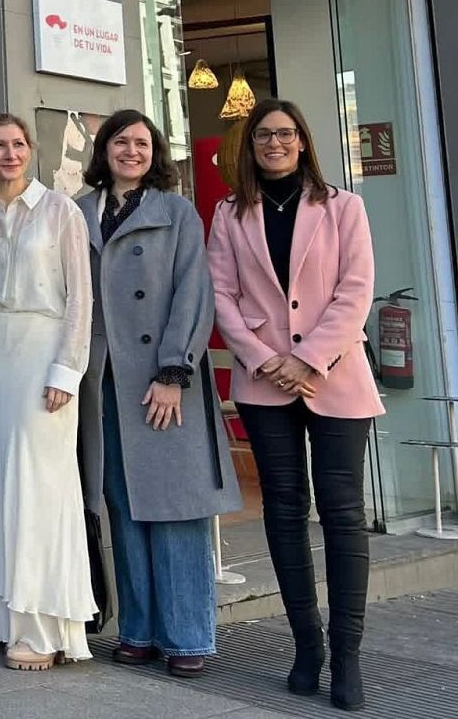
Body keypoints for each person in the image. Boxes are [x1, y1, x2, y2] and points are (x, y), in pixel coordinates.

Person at [208, 99, 379, 711]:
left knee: (341, 511)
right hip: (265, 382)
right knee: (283, 509)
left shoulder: (343, 207)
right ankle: (306, 646)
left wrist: (310, 360)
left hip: (336, 378)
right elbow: (221, 295)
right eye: (263, 136)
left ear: (303, 142)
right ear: (249, 146)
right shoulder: (231, 213)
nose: (274, 144)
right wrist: (262, 359)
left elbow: (355, 290)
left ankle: (348, 656)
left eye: (285, 134)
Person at [75, 110, 242, 679]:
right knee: (121, 505)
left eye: (142, 143)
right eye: (121, 141)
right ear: (104, 149)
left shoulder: (175, 212)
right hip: (104, 382)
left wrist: (173, 372)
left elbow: (194, 293)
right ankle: (140, 629)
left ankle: (189, 632)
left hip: (162, 380)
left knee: (176, 508)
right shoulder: (79, 212)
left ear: (156, 153)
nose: (131, 151)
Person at [0, 113, 96, 671]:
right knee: (4, 485)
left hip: (45, 353)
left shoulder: (60, 211)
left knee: (42, 488)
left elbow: (80, 300)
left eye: (19, 143)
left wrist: (66, 372)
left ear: (32, 150)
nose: (10, 153)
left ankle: (47, 627)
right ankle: (12, 617)